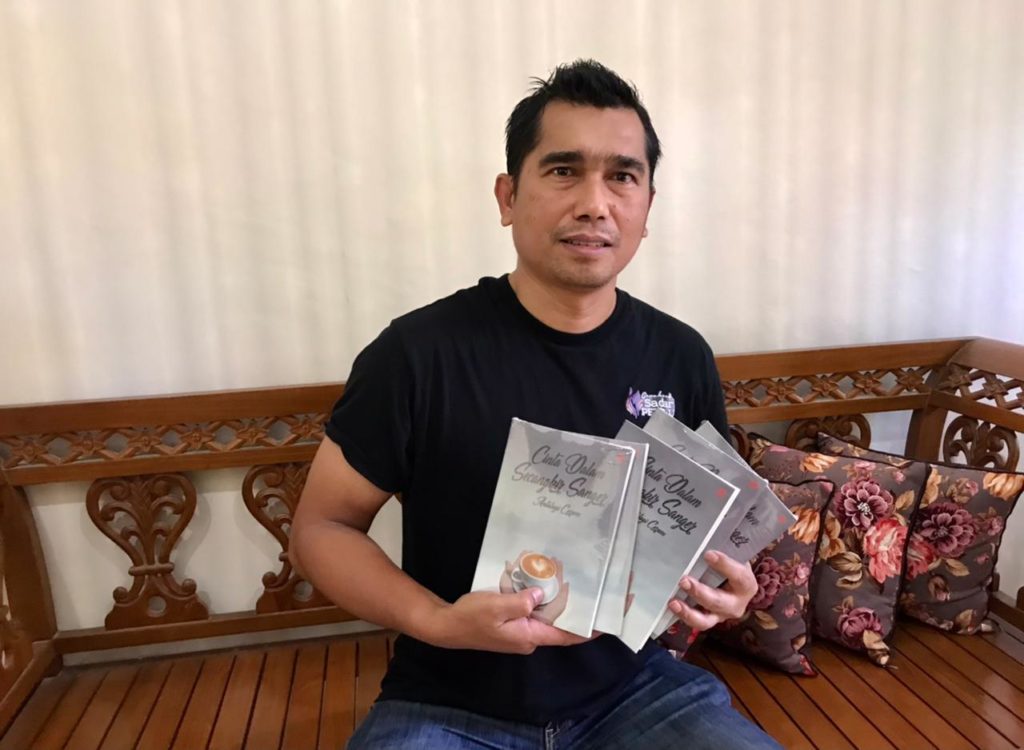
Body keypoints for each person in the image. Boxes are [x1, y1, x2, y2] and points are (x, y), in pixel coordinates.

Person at [291, 59, 781, 749]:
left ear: (646, 207)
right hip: (448, 702)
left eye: (622, 176)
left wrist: (728, 590)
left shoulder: (680, 355)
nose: (595, 203)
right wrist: (437, 622)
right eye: (563, 170)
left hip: (635, 693)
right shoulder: (418, 354)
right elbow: (322, 528)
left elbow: (705, 539)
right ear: (507, 197)